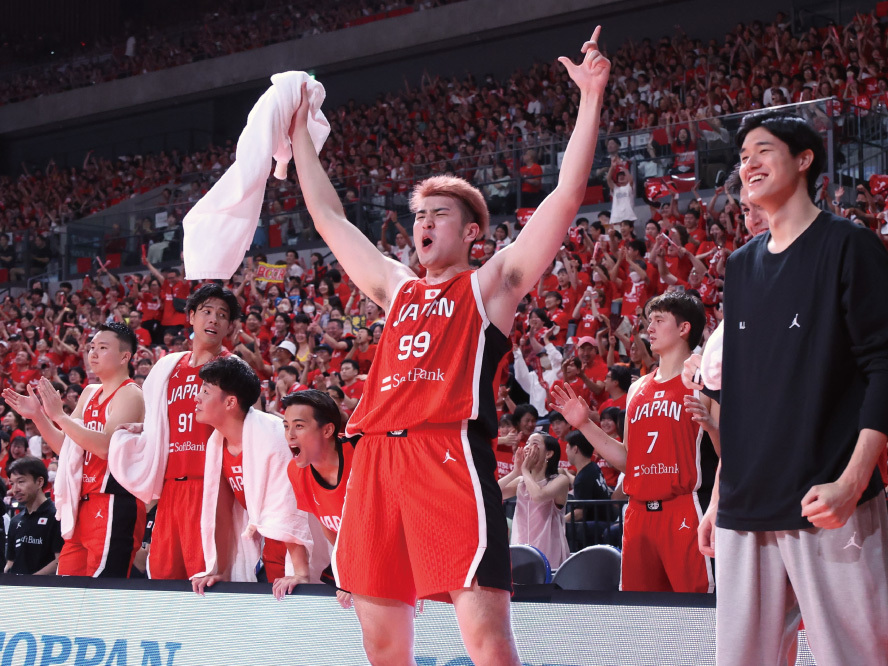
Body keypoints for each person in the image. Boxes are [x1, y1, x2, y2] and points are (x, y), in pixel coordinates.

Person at [288, 26, 609, 665]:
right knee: (382, 646)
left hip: (448, 456)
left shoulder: (490, 287)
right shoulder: (396, 287)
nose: (423, 223)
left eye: (438, 214)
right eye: (418, 215)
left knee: (486, 641)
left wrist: (591, 97)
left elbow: (566, 197)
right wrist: (297, 130)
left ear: (469, 232)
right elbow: (329, 219)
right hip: (375, 462)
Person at [698, 110, 888, 665]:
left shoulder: (850, 245)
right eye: (742, 156)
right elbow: (744, 394)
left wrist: (852, 483)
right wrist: (718, 496)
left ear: (805, 161)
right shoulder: (738, 265)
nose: (747, 164)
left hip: (825, 502)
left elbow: (883, 366)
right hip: (743, 507)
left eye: (763, 151)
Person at [551, 292, 718, 592]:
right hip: (637, 513)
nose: (649, 328)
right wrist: (584, 424)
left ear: (684, 329)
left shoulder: (704, 382)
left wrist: (712, 425)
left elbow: (726, 454)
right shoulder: (638, 386)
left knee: (695, 617)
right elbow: (628, 460)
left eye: (658, 320)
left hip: (684, 509)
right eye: (648, 321)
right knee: (639, 616)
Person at [107, 283, 239, 580]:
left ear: (230, 326)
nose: (214, 319)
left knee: (207, 579)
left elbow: (248, 429)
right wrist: (140, 430)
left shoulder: (232, 368)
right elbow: (159, 422)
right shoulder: (168, 366)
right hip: (169, 490)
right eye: (207, 312)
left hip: (211, 486)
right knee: (163, 577)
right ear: (191, 316)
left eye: (222, 315)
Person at [4, 323, 146, 577]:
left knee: (103, 594)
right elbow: (67, 449)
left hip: (113, 501)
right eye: (92, 347)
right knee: (68, 586)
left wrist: (59, 415)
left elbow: (105, 447)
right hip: (81, 506)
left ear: (125, 356)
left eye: (103, 348)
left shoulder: (130, 394)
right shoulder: (90, 392)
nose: (93, 353)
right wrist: (38, 416)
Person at [189, 357, 313, 598]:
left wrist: (300, 573)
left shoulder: (274, 435)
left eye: (205, 391)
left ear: (230, 402)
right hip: (267, 541)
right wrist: (221, 570)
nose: (197, 397)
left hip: (292, 541)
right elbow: (222, 511)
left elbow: (291, 503)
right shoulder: (218, 443)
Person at [283, 389, 354, 608]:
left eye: (299, 426)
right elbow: (328, 526)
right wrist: (348, 568)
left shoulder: (363, 454)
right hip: (355, 558)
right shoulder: (296, 471)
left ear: (328, 430)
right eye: (286, 426)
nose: (290, 435)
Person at [498, 434, 571, 568]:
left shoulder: (560, 480)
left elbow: (538, 496)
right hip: (520, 546)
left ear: (548, 453)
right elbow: (493, 492)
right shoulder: (521, 481)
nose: (527, 447)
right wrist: (515, 472)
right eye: (527, 443)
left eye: (534, 443)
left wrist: (524, 471)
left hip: (548, 550)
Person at [5, 457, 63, 575]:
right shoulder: (15, 521)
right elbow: (10, 563)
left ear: (39, 482)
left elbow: (60, 560)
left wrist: (31, 581)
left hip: (43, 590)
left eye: (21, 482)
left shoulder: (56, 516)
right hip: (16, 589)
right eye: (12, 483)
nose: (15, 489)